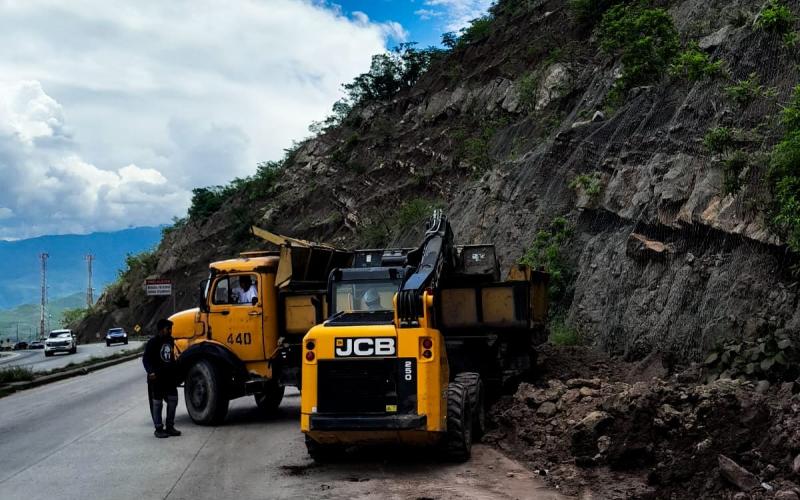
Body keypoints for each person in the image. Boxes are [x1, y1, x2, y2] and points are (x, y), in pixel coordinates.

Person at [142, 318, 181, 438]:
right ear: (161, 330)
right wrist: (150, 372)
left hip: (169, 377)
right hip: (157, 378)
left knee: (173, 400)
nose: (170, 330)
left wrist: (176, 371)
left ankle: (170, 427)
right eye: (168, 328)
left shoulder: (170, 340)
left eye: (171, 328)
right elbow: (146, 359)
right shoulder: (153, 342)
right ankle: (158, 428)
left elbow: (170, 358)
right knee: (158, 404)